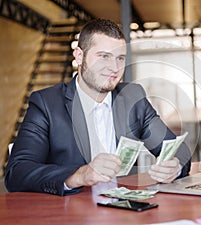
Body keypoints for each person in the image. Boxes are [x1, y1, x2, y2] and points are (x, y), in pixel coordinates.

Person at [5, 18, 191, 196]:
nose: (114, 67)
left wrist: (175, 166)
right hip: (69, 212)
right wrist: (78, 175)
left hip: (124, 210)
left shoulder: (132, 97)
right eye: (104, 56)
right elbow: (17, 172)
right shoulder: (46, 103)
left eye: (120, 58)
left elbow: (179, 151)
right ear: (79, 56)